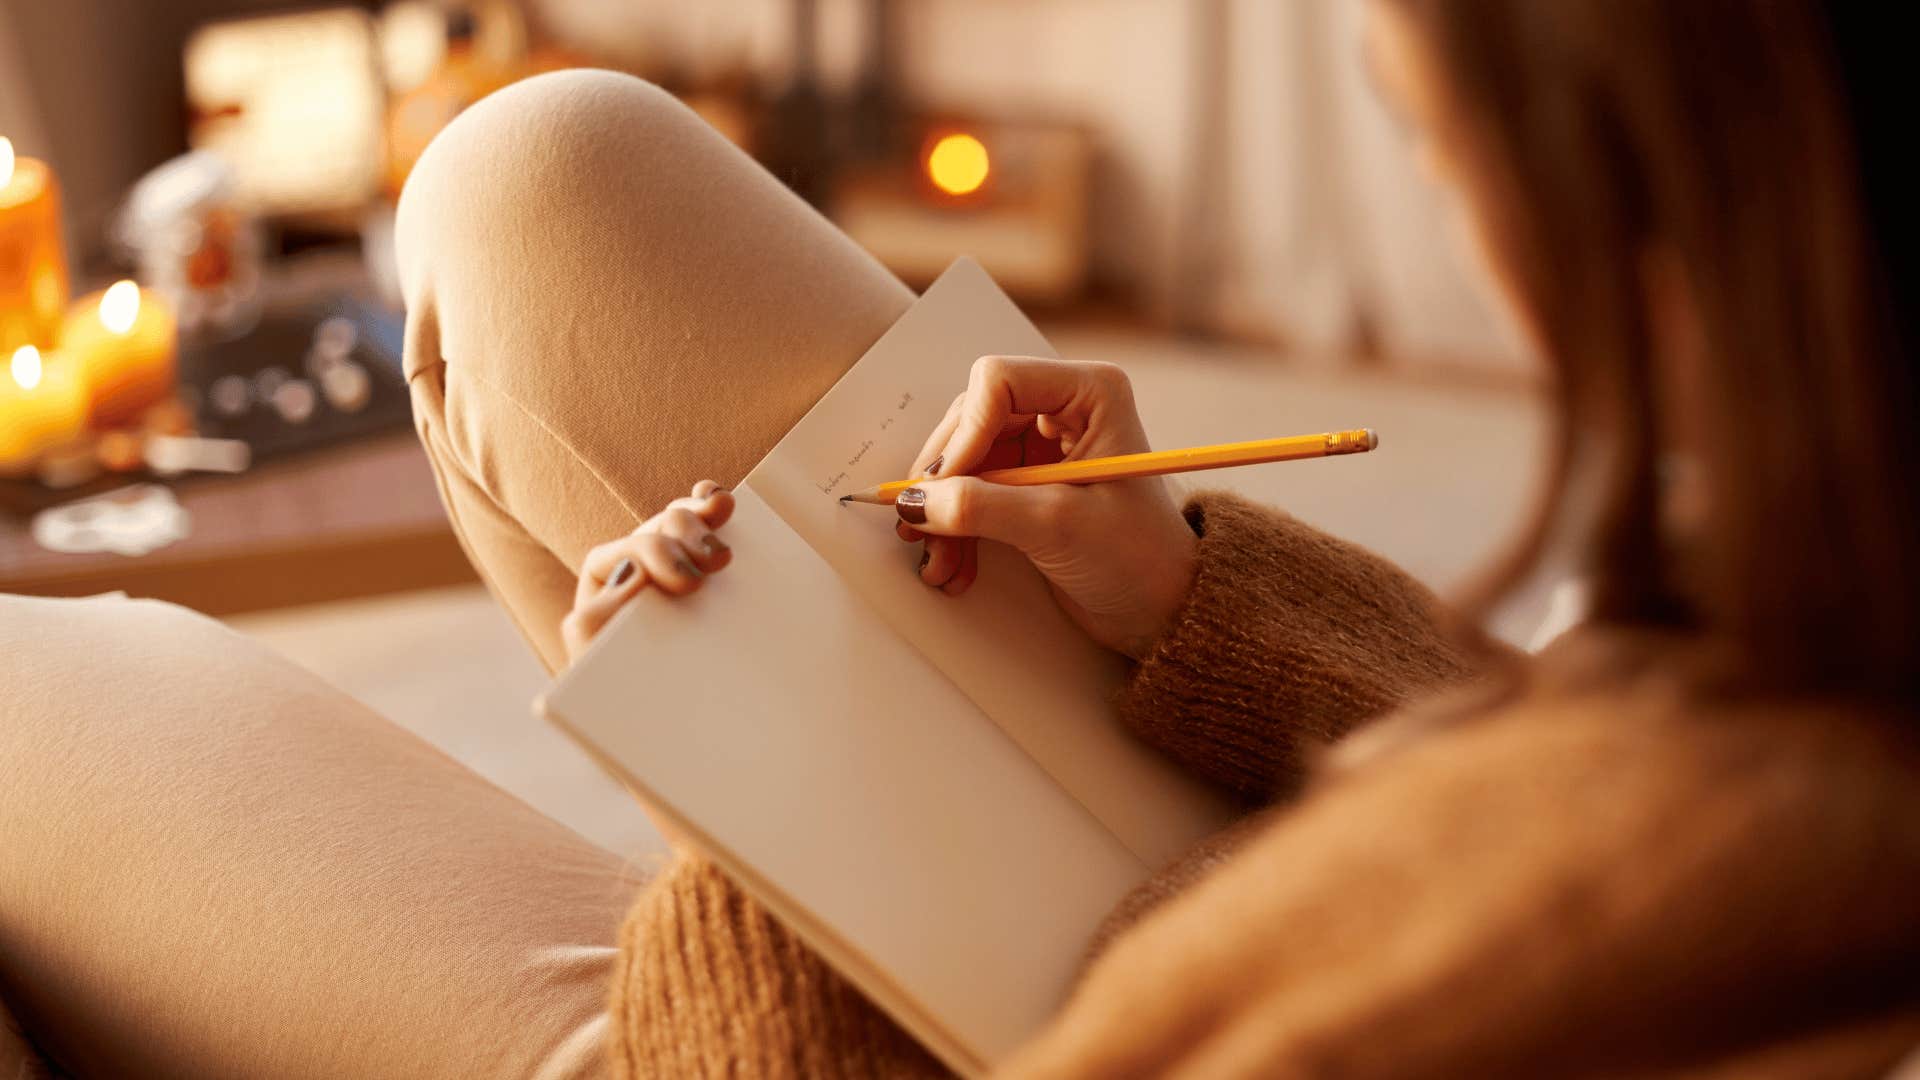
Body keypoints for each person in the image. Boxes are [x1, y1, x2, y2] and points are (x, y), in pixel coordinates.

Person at [1, 2, 1914, 1078]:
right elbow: (1512, 776)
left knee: (45, 683)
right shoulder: (1822, 622)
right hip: (1219, 859)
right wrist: (1194, 596)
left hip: (842, 1041)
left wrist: (761, 799)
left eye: (1430, 140)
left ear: (1681, 203)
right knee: (541, 174)